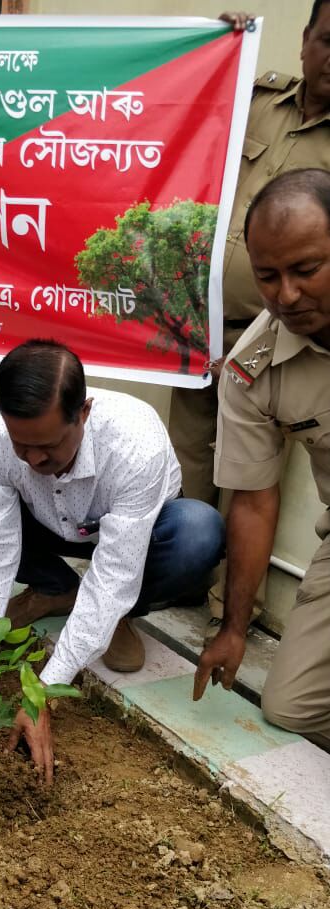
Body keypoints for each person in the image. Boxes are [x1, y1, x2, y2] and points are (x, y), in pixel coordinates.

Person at [0, 340, 225, 782]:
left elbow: (117, 569)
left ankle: (120, 616)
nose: (35, 458)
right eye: (22, 446)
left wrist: (43, 689)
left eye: (48, 445)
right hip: (46, 520)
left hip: (137, 535)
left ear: (82, 413)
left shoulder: (136, 444)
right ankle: (55, 588)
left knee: (199, 532)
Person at [170, 2, 330, 634]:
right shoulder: (256, 100)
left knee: (255, 478)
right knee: (188, 459)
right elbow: (184, 123)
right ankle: (178, 579)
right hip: (196, 321)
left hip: (285, 339)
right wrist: (216, 49)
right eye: (326, 41)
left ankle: (230, 606)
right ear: (305, 43)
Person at [194, 168, 330, 750]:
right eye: (267, 275)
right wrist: (233, 629)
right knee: (289, 707)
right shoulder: (255, 366)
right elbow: (252, 498)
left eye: (306, 269)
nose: (286, 296)